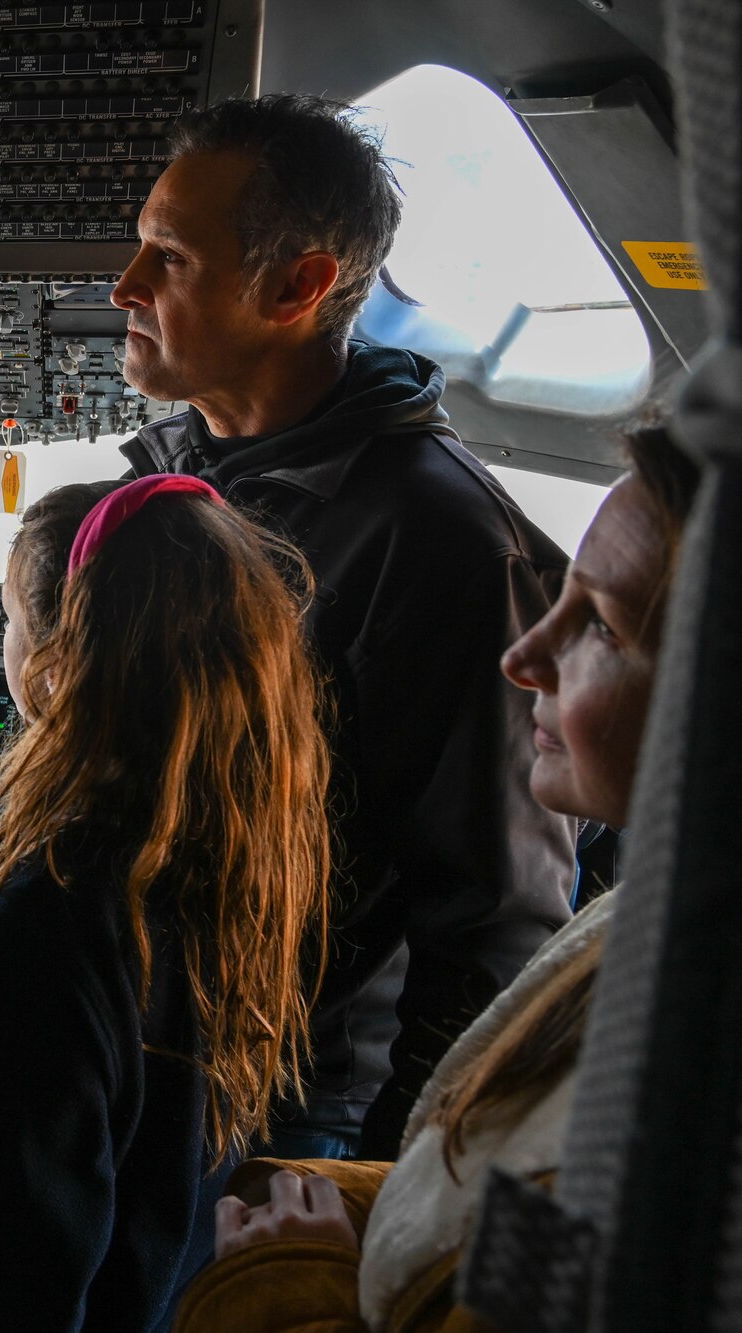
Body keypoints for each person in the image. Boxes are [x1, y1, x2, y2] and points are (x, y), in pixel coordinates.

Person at [114, 93, 575, 1159]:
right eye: (139, 246)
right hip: (146, 1045)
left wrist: (374, 1189)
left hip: (281, 1105)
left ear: (298, 286)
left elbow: (497, 923)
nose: (123, 285)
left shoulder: (446, 547)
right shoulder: (179, 477)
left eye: (167, 259)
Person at [174, 422, 701, 1333]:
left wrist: (291, 1282)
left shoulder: (686, 1065)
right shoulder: (638, 933)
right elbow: (494, 1226)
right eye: (559, 597)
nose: (524, 657)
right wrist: (362, 1202)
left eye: (603, 628)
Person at [0, 476, 335, 1332]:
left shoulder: (49, 927)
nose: (4, 642)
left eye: (13, 618)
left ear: (60, 667)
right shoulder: (241, 871)